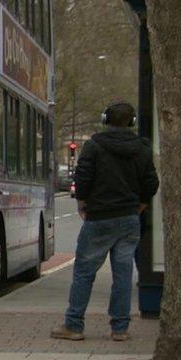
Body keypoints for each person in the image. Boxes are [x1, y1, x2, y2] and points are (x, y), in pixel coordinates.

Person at [50, 101, 159, 342]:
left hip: (99, 217)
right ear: (131, 123)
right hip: (129, 218)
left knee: (84, 272)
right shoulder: (142, 148)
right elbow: (151, 183)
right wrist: (139, 206)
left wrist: (82, 204)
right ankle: (120, 328)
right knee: (123, 273)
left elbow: (83, 178)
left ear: (105, 119)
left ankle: (74, 324)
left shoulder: (94, 145)